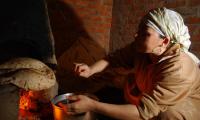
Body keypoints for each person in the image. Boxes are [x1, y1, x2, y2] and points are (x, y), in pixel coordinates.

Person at [60, 7, 200, 120]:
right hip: (154, 92)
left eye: (144, 33)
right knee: (129, 83)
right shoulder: (141, 48)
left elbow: (142, 112)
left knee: (168, 114)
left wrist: (93, 106)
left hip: (186, 103)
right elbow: (115, 58)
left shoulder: (179, 68)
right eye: (139, 30)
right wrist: (90, 70)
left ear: (164, 41)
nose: (136, 35)